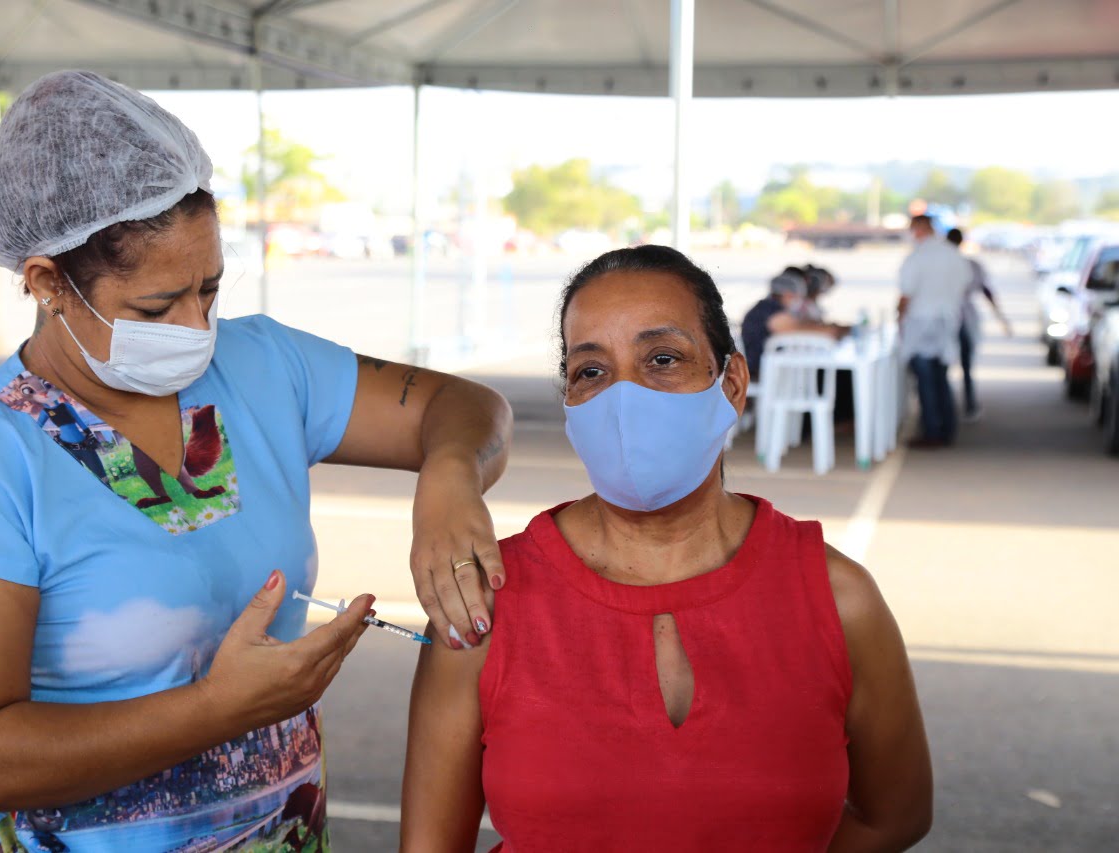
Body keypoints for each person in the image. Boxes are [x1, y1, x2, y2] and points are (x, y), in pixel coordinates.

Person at [0, 71, 512, 853]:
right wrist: (219, 708)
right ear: (47, 283)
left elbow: (468, 409)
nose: (195, 326)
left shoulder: (263, 367)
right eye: (154, 308)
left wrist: (448, 481)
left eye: (208, 289)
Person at [401, 246, 933, 852]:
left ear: (731, 382)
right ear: (570, 401)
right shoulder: (484, 600)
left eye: (662, 359)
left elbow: (896, 815)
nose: (624, 402)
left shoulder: (840, 599)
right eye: (591, 372)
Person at [898, 214, 970, 448]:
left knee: (926, 379)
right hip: (947, 321)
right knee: (941, 376)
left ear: (919, 230)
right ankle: (946, 428)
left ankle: (932, 430)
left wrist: (899, 318)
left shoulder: (918, 257)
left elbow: (906, 293)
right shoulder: (953, 255)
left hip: (922, 323)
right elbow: (964, 284)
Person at [946, 227, 1013, 421]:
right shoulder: (971, 264)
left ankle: (950, 406)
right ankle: (968, 404)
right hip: (963, 318)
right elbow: (987, 292)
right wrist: (1002, 319)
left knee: (943, 365)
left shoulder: (944, 265)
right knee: (966, 365)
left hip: (947, 317)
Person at [741, 270, 849, 381]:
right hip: (760, 374)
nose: (800, 301)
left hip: (772, 371)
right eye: (798, 296)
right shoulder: (768, 309)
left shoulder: (770, 308)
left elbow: (802, 325)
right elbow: (799, 330)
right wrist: (833, 330)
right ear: (788, 294)